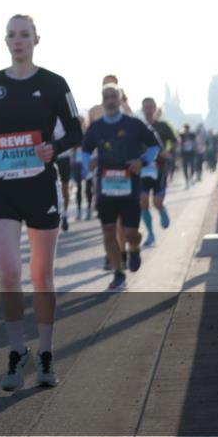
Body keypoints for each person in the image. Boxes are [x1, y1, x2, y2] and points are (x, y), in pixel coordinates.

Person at [0, 14, 82, 392]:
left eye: (24, 34)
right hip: (3, 186)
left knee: (41, 275)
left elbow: (76, 131)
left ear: (36, 39)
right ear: (6, 41)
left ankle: (47, 352)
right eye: (12, 35)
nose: (18, 40)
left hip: (40, 186)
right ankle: (17, 350)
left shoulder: (54, 83)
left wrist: (54, 147)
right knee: (8, 272)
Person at [81, 84, 160, 291]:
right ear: (102, 100)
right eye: (106, 97)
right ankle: (118, 273)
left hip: (130, 187)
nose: (110, 101)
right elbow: (85, 151)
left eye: (113, 96)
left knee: (130, 233)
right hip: (105, 188)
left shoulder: (134, 124)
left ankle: (134, 248)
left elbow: (154, 146)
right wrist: (88, 164)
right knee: (109, 231)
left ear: (120, 100)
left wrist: (142, 162)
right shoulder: (96, 127)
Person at [139, 98, 177, 247]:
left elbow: (175, 141)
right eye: (145, 107)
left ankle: (161, 209)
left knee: (157, 202)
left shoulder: (163, 126)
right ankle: (150, 234)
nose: (148, 110)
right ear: (142, 109)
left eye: (150, 107)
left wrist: (168, 151)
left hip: (160, 168)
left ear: (155, 109)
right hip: (143, 169)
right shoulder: (139, 126)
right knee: (143, 201)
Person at [53, 119, 77, 232]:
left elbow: (73, 136)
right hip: (51, 157)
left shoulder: (63, 118)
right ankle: (54, 214)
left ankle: (65, 215)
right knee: (51, 188)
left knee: (65, 187)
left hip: (64, 157)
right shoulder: (46, 115)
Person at [71, 116, 94, 220]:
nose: (79, 124)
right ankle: (79, 211)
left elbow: (92, 147)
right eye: (78, 123)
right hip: (77, 163)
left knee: (88, 188)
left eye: (81, 122)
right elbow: (72, 149)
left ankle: (89, 209)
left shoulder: (88, 135)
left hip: (87, 163)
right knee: (78, 188)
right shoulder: (74, 135)